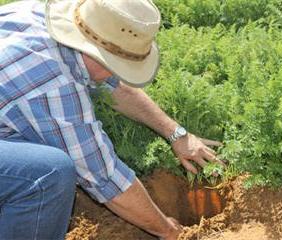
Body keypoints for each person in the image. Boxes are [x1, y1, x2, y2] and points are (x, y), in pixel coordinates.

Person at [0, 0, 224, 239]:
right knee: (49, 174)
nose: (118, 73)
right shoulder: (53, 85)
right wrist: (169, 231)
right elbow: (105, 178)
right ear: (100, 56)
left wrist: (176, 133)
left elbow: (112, 85)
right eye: (118, 66)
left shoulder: (40, 16)